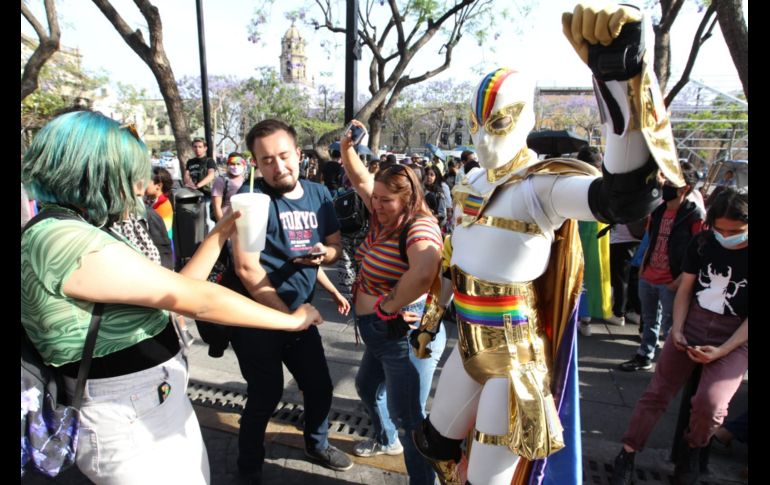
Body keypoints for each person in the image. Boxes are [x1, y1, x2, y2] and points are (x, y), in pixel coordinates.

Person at [410, 5, 686, 484]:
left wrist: (618, 81)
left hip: (513, 361)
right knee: (435, 444)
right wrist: (433, 318)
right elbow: (454, 258)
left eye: (497, 122)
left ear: (527, 118)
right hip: (467, 342)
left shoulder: (542, 185)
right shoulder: (470, 181)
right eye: (476, 123)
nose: (483, 138)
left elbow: (622, 198)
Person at [20, 111, 323, 484]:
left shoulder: (82, 227)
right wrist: (291, 320)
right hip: (126, 416)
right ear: (94, 172)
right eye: (130, 173)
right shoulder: (63, 239)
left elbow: (175, 288)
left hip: (150, 403)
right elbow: (194, 298)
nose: (140, 186)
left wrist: (221, 230)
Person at [229, 119, 351, 482]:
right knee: (264, 396)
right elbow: (247, 268)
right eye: (266, 160)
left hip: (300, 316)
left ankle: (316, 443)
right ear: (255, 164)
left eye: (284, 156)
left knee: (320, 386)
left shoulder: (319, 194)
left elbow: (335, 246)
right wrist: (290, 319)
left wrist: (324, 256)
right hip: (257, 319)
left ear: (298, 154)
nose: (278, 166)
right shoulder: (253, 201)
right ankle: (248, 468)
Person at [610, 188, 748, 485]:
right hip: (692, 323)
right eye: (720, 230)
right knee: (656, 393)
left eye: (735, 231)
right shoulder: (704, 242)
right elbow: (685, 289)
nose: (726, 236)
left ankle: (693, 450)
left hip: (735, 336)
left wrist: (723, 350)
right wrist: (678, 329)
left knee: (711, 404)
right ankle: (628, 452)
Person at [339, 122, 447, 485]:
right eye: (376, 198)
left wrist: (387, 307)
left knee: (410, 419)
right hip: (379, 332)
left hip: (404, 334)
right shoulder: (384, 213)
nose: (376, 204)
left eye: (385, 200)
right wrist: (347, 147)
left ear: (408, 198)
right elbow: (360, 178)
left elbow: (425, 271)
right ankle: (386, 441)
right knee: (367, 387)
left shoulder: (419, 226)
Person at [619, 162, 704, 372]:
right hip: (649, 276)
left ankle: (671, 366)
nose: (664, 184)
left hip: (672, 281)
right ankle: (644, 355)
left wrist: (681, 279)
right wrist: (643, 266)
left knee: (671, 325)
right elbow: (651, 239)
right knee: (649, 320)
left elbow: (699, 252)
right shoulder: (657, 210)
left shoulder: (694, 215)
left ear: (684, 189)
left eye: (670, 181)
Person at [184, 137, 218, 228]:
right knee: (195, 219)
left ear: (205, 148)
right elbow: (186, 175)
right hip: (193, 196)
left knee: (207, 220)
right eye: (195, 147)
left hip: (206, 195)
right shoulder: (190, 162)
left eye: (200, 147)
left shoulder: (209, 161)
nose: (197, 149)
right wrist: (189, 184)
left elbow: (211, 175)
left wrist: (198, 185)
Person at [211, 152, 248, 222]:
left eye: (238, 164)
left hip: (242, 222)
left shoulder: (245, 180)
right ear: (228, 164)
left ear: (243, 165)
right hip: (227, 220)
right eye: (232, 164)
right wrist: (222, 225)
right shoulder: (221, 180)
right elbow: (216, 207)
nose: (235, 166)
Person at [422, 164, 451, 229]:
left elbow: (442, 214)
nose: (428, 177)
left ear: (436, 177)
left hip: (433, 226)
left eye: (432, 175)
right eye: (427, 174)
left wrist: (430, 216)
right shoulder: (421, 190)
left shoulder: (439, 192)